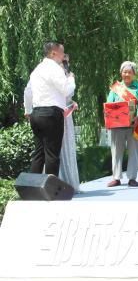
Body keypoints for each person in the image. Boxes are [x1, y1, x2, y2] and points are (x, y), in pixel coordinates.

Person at [23, 41, 75, 177]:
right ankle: (51, 187)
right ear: (53, 53)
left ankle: (33, 186)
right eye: (62, 53)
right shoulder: (55, 68)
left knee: (39, 153)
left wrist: (27, 110)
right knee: (52, 154)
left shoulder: (37, 70)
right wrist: (71, 79)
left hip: (36, 114)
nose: (63, 56)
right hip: (51, 114)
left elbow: (27, 91)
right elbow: (66, 90)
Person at [106, 61, 138, 187]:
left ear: (134, 74)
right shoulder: (116, 88)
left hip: (134, 123)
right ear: (121, 73)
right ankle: (116, 178)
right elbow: (109, 103)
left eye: (129, 72)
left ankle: (132, 178)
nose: (127, 74)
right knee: (116, 151)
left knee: (134, 150)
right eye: (124, 72)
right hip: (117, 124)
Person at [57, 54, 80, 192]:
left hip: (67, 115)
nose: (65, 64)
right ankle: (59, 181)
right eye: (63, 61)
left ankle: (69, 181)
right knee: (58, 147)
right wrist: (71, 79)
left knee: (67, 147)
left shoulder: (69, 75)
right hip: (59, 113)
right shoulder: (59, 76)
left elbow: (68, 96)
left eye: (67, 61)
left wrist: (73, 103)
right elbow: (64, 92)